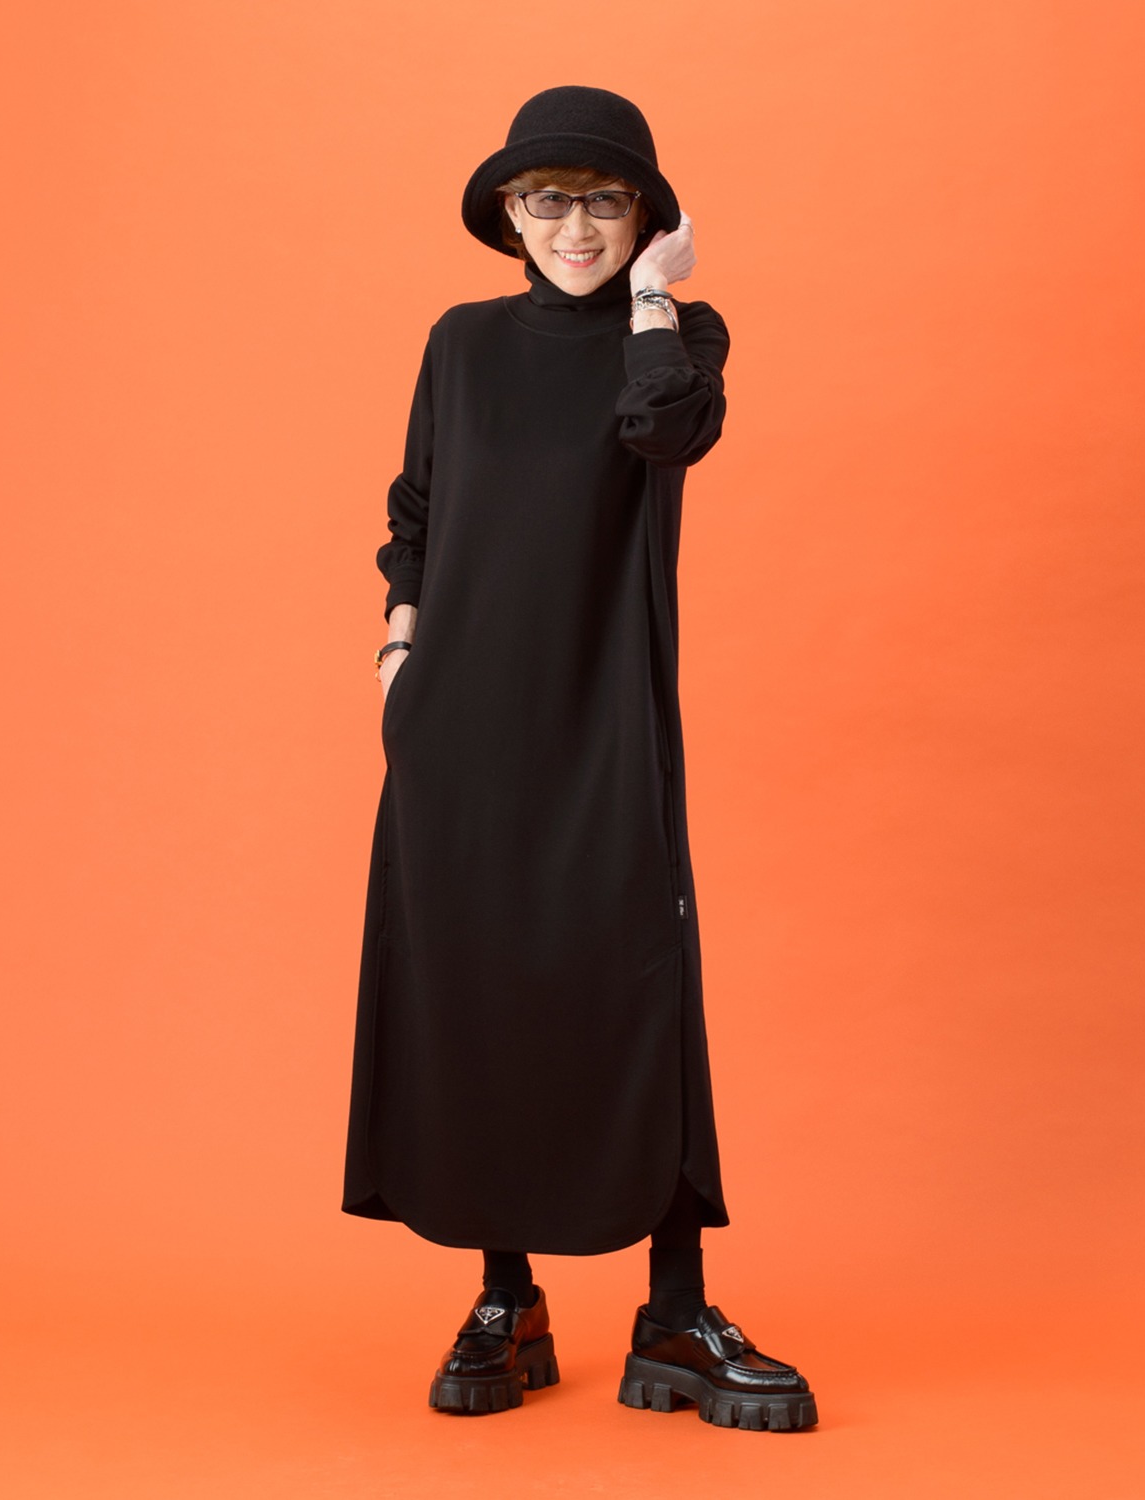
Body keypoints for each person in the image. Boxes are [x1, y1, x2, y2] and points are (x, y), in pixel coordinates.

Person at [342, 85, 817, 1433]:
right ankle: (508, 1298)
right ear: (509, 213)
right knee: (478, 983)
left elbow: (669, 433)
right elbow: (418, 502)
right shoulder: (462, 343)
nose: (574, 226)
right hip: (458, 723)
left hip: (604, 711)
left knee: (636, 976)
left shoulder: (675, 340)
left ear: (648, 217)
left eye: (605, 200)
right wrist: (400, 641)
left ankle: (674, 1310)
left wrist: (658, 299)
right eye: (546, 199)